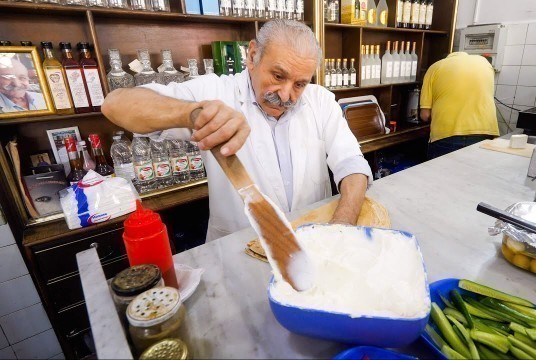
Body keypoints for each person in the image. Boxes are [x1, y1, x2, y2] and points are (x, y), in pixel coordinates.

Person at [102, 19, 373, 241]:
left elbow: (351, 164)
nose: (287, 95)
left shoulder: (320, 100)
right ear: (253, 55)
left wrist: (341, 228)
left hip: (313, 242)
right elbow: (115, 105)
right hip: (240, 249)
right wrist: (192, 113)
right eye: (278, 76)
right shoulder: (215, 91)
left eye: (300, 84)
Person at [419, 52, 499, 160]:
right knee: (473, 176)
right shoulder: (485, 64)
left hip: (448, 134)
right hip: (485, 133)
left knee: (440, 175)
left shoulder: (435, 68)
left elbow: (425, 115)